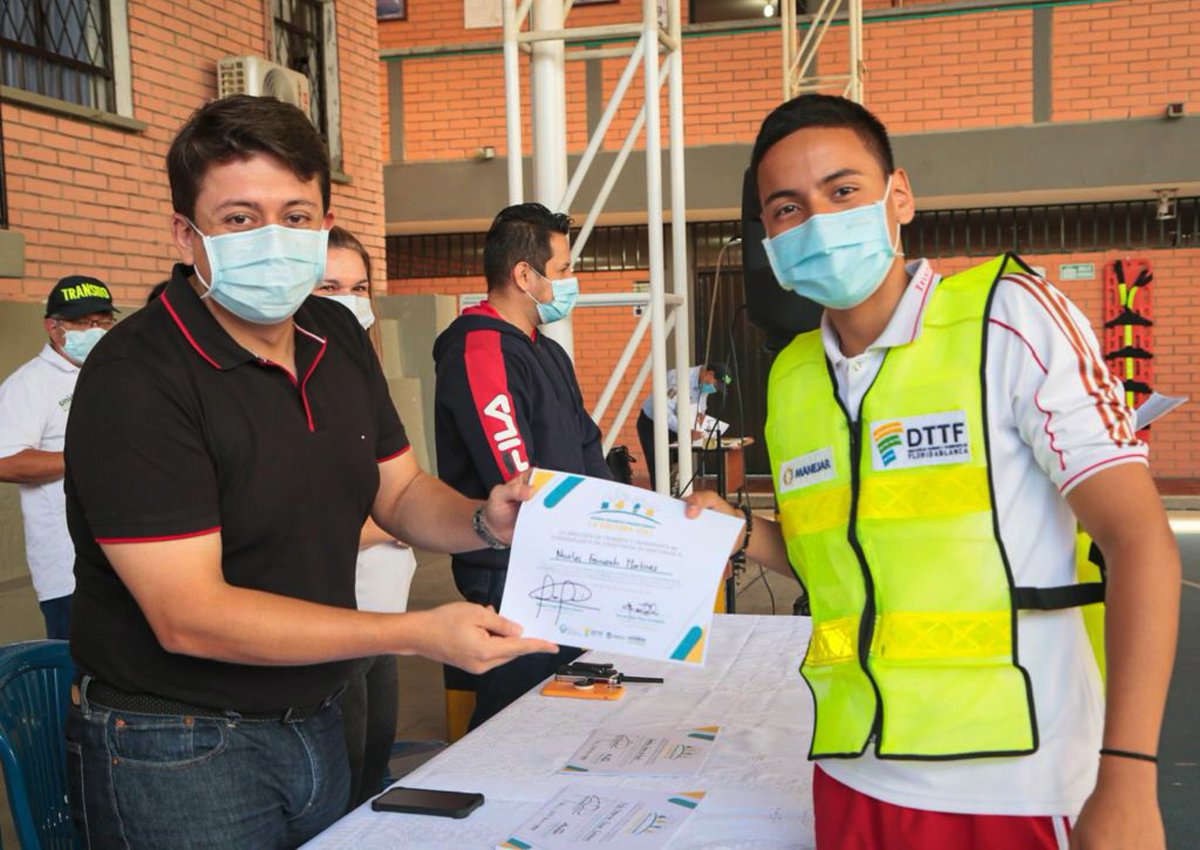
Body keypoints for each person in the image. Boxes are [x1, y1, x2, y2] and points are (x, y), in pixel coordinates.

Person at [685, 94, 1179, 849]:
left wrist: (1129, 775)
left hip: (1017, 776)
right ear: (769, 238)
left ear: (899, 197)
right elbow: (841, 566)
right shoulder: (792, 379)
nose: (816, 222)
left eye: (842, 191)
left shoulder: (1006, 317)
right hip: (853, 770)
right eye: (786, 209)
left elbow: (1139, 539)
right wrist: (745, 534)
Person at [62, 95, 555, 849]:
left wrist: (485, 519)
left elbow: (399, 489)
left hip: (316, 715)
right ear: (185, 235)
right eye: (238, 217)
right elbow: (188, 614)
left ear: (325, 221)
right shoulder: (137, 376)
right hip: (180, 746)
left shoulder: (334, 335)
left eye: (296, 215)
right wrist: (417, 632)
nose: (272, 237)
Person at [433, 202, 613, 728]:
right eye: (562, 271)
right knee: (513, 721)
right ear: (523, 275)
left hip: (569, 560)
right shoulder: (481, 346)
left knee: (566, 711)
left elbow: (587, 447)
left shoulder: (547, 352)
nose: (569, 282)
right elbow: (516, 476)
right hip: (514, 572)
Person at [314, 224, 419, 808]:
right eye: (329, 287)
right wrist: (398, 520)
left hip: (385, 609)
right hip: (340, 616)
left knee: (376, 756)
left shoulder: (363, 378)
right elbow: (320, 522)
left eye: (360, 287)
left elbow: (401, 487)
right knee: (349, 768)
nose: (350, 302)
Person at [0, 275, 117, 639]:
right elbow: (5, 461)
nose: (95, 330)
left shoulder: (112, 372)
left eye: (103, 321)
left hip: (124, 557)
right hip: (68, 571)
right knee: (78, 677)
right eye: (83, 323)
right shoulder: (31, 383)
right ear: (53, 327)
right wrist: (86, 458)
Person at [636, 362, 732, 491]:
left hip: (678, 426)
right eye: (715, 384)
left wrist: (700, 416)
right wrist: (685, 432)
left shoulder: (704, 382)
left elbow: (701, 405)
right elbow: (662, 412)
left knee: (678, 470)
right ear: (710, 374)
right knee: (660, 471)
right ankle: (663, 505)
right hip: (653, 425)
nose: (714, 389)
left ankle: (677, 500)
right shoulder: (679, 379)